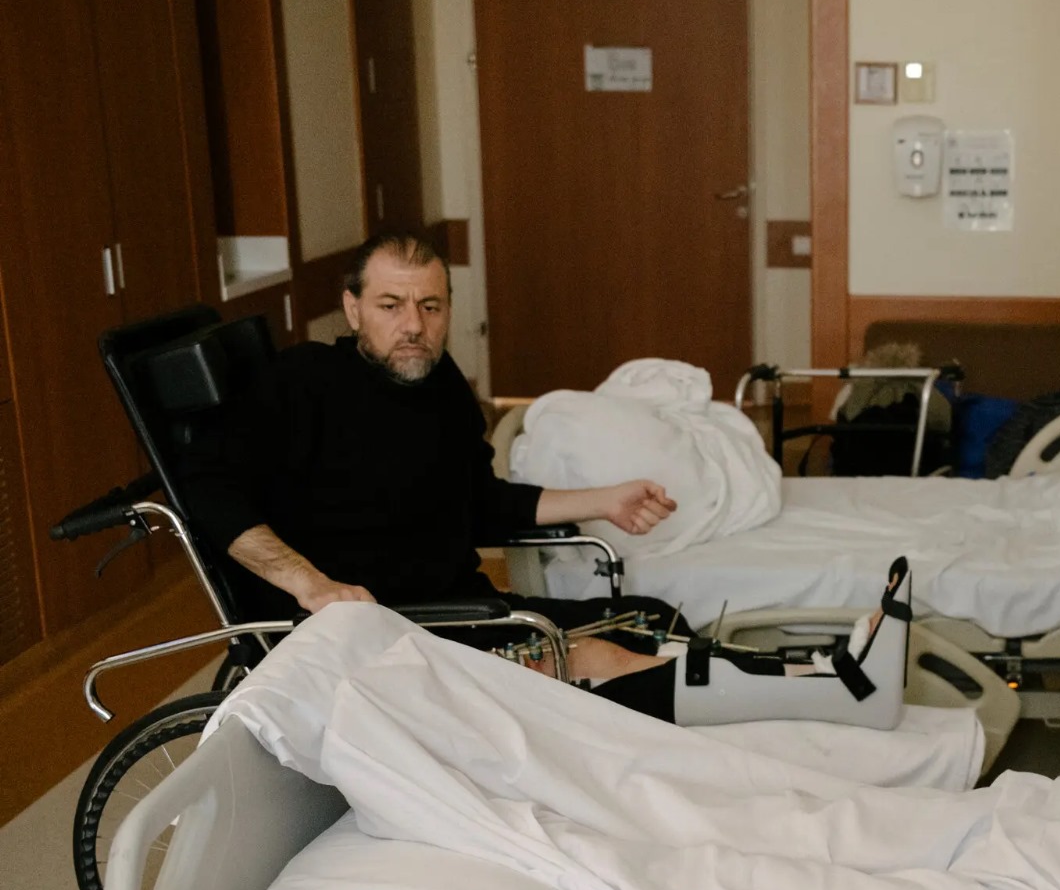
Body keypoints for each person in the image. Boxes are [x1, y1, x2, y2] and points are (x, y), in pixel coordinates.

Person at [184, 232, 686, 683]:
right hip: (379, 634)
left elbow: (481, 502)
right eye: (390, 305)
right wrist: (311, 584)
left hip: (467, 613)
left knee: (660, 622)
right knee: (604, 664)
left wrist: (604, 501)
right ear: (353, 309)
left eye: (430, 306)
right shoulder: (302, 382)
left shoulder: (440, 380)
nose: (413, 326)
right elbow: (205, 485)